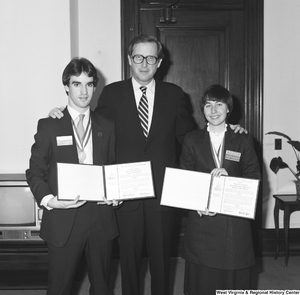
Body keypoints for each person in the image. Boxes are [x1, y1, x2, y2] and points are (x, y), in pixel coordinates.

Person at [48, 34, 246, 295]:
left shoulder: (175, 95)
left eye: (150, 58)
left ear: (159, 62)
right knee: (129, 265)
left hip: (163, 196)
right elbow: (91, 123)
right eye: (138, 57)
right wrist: (61, 114)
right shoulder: (112, 93)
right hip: (125, 198)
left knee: (162, 264)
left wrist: (224, 128)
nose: (144, 63)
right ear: (130, 60)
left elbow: (191, 139)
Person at [26, 57, 119, 295]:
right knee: (60, 288)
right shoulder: (49, 125)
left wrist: (116, 193)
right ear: (66, 86)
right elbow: (35, 169)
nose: (84, 91)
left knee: (101, 288)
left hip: (100, 218)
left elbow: (114, 167)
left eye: (89, 84)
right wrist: (49, 200)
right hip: (63, 217)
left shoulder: (106, 126)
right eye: (77, 84)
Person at [180, 84, 261, 295]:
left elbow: (254, 178)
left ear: (228, 108)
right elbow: (185, 179)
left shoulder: (242, 139)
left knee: (232, 281)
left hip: (233, 223)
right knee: (202, 282)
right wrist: (197, 204)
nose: (213, 110)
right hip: (202, 221)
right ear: (202, 109)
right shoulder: (192, 139)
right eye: (208, 105)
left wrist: (231, 181)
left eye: (219, 104)